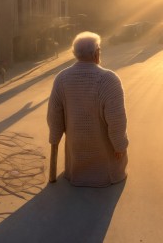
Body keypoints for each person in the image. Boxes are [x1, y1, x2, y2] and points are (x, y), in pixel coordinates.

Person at [47, 31, 128, 187]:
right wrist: (119, 145)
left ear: (75, 54)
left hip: (75, 164)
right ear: (96, 53)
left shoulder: (62, 78)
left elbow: (54, 115)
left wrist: (54, 138)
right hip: (106, 170)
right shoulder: (109, 79)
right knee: (114, 162)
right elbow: (117, 119)